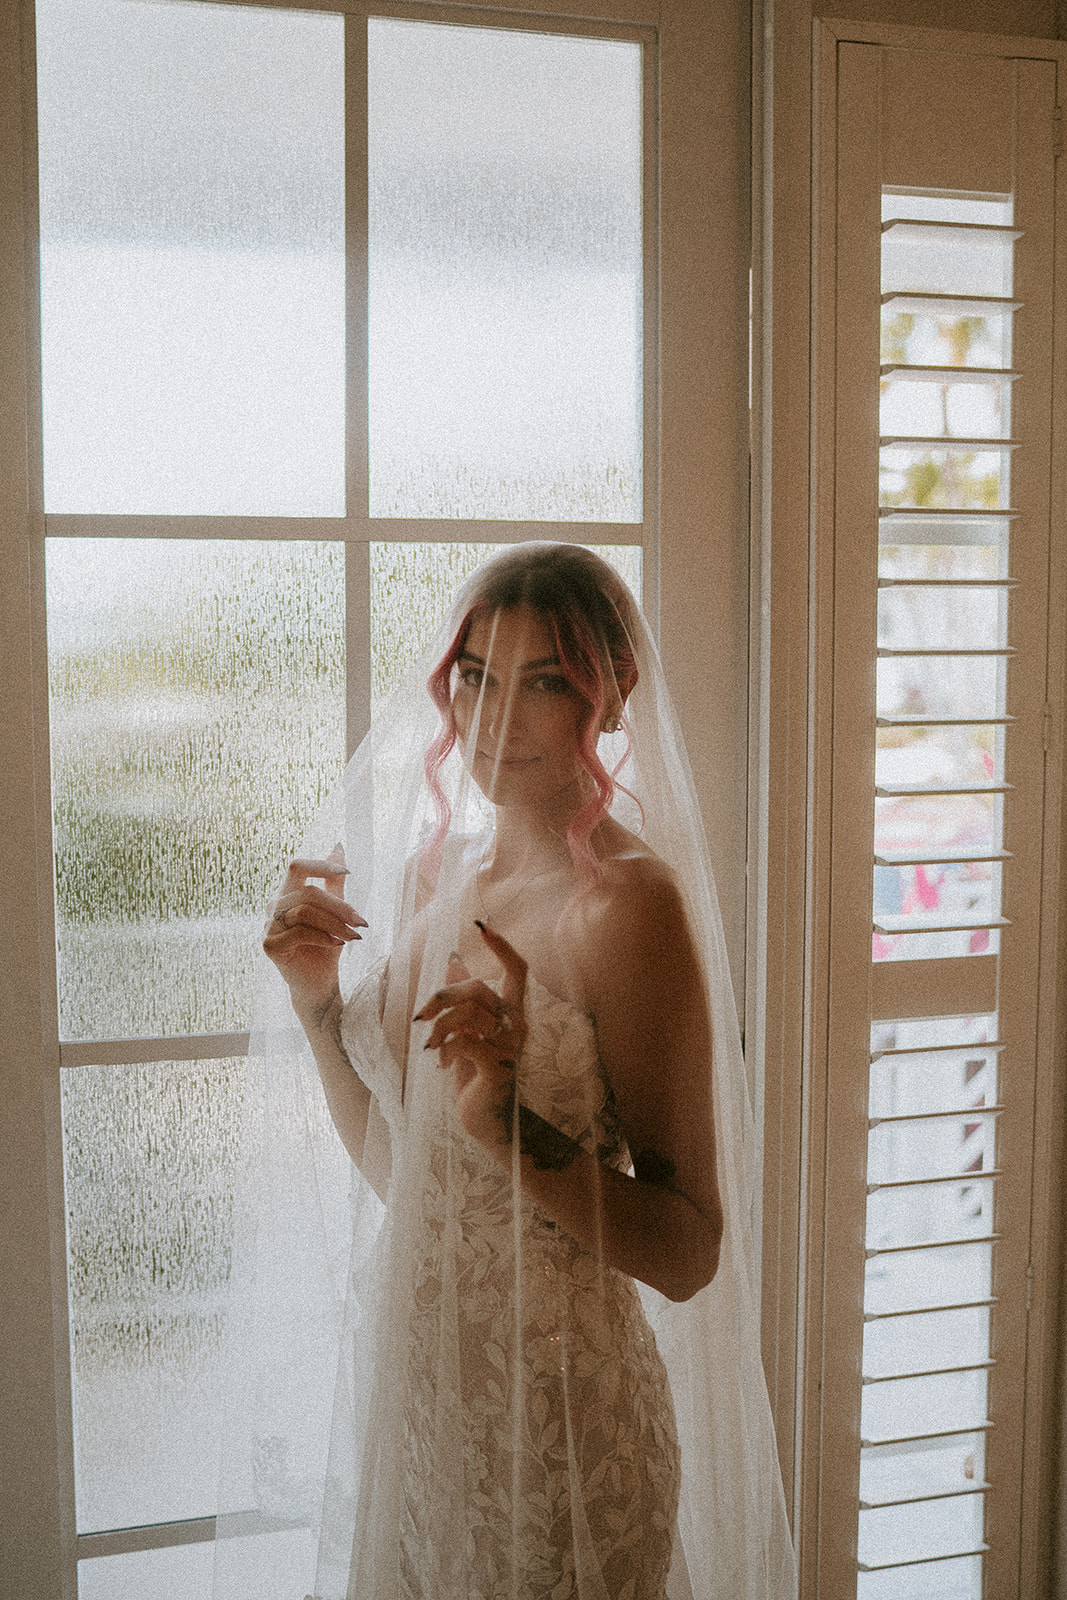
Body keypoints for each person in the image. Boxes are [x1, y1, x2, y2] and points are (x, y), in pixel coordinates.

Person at [212, 544, 796, 1600]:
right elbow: (408, 1170)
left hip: (560, 1424)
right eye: (476, 674)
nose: (495, 714)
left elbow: (688, 1250)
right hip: (421, 1397)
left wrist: (508, 1131)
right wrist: (316, 1005)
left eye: (547, 680)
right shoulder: (439, 871)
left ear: (611, 695)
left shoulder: (625, 908)